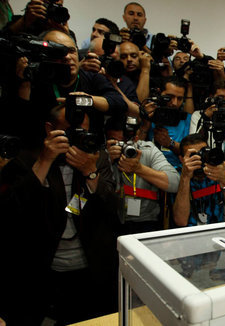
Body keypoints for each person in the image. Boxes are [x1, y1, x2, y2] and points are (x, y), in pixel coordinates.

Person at [0, 103, 120, 325]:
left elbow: (113, 208)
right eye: (69, 131)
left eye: (81, 132)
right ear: (49, 129)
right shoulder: (28, 158)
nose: (76, 137)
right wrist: (45, 161)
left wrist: (89, 172)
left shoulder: (97, 156)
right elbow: (11, 212)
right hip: (41, 269)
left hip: (90, 267)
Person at [105, 116, 179, 234]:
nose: (123, 146)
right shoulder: (101, 154)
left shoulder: (147, 150)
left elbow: (175, 183)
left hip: (147, 222)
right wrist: (106, 160)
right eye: (117, 142)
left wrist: (139, 169)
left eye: (127, 140)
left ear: (136, 137)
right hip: (111, 221)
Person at [173, 133, 225, 226]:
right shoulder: (176, 174)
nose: (200, 159)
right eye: (193, 156)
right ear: (182, 159)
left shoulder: (221, 169)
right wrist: (185, 178)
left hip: (217, 230)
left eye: (203, 154)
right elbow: (181, 221)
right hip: (188, 233)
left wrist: (224, 179)